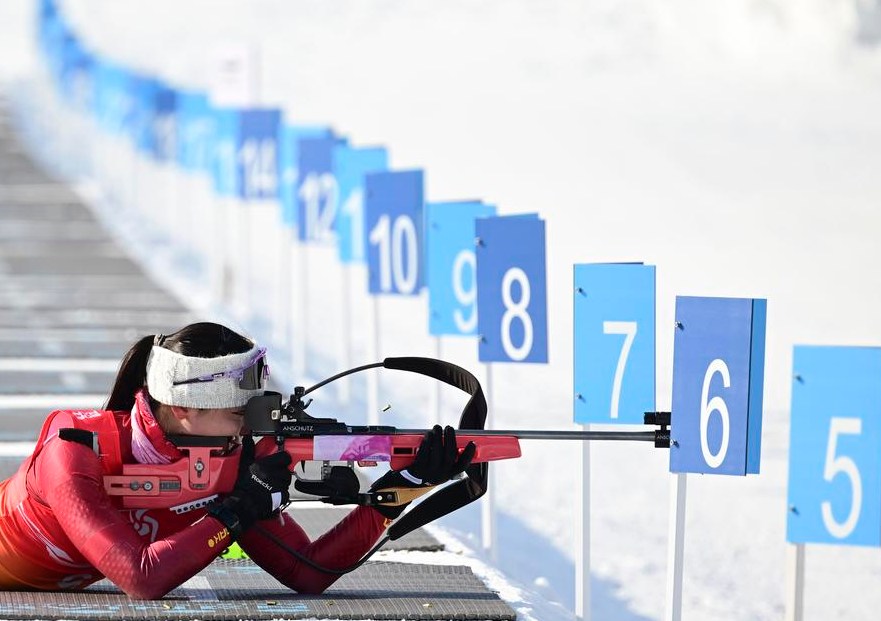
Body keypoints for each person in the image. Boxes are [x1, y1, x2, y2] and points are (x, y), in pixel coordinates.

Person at [0, 322, 472, 598]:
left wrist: (404, 486)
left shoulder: (230, 454)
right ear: (183, 408)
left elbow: (306, 572)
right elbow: (142, 578)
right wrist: (242, 507)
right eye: (236, 414)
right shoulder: (75, 451)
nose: (250, 429)